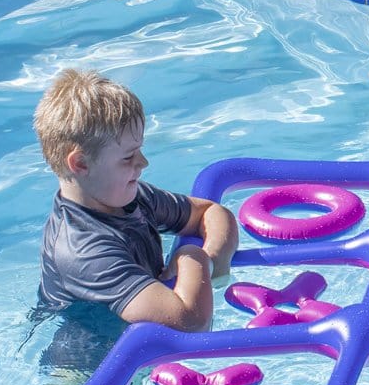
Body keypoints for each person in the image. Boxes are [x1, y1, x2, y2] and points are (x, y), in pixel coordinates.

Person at [33, 68, 238, 332]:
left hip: (137, 348)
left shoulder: (129, 197)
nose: (143, 162)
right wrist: (192, 257)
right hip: (91, 366)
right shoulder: (83, 251)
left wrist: (213, 260)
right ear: (81, 163)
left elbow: (211, 212)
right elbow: (191, 323)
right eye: (128, 157)